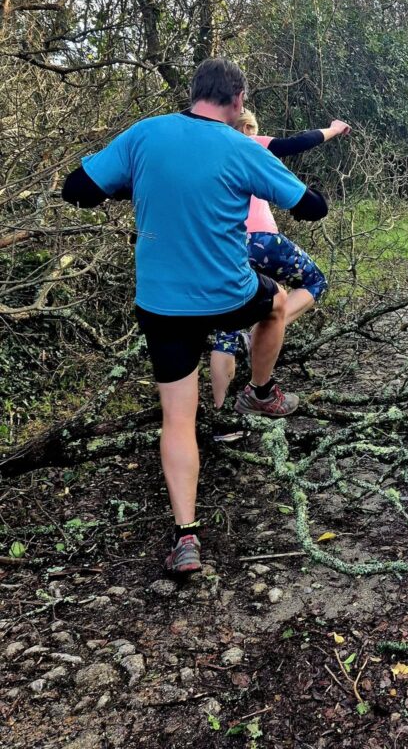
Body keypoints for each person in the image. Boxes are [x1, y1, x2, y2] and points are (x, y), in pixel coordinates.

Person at [61, 58, 328, 575]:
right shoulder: (242, 148)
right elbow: (312, 207)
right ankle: (261, 392)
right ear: (238, 99)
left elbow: (78, 190)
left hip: (162, 304)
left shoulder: (145, 135)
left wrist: (131, 184)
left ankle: (186, 537)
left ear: (193, 93)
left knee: (178, 418)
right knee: (276, 302)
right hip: (229, 294)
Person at [209, 110, 350, 417]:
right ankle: (260, 338)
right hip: (261, 241)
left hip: (223, 247)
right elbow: (296, 143)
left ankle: (221, 417)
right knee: (315, 281)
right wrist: (334, 129)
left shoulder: (208, 152)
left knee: (226, 330)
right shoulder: (247, 143)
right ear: (247, 127)